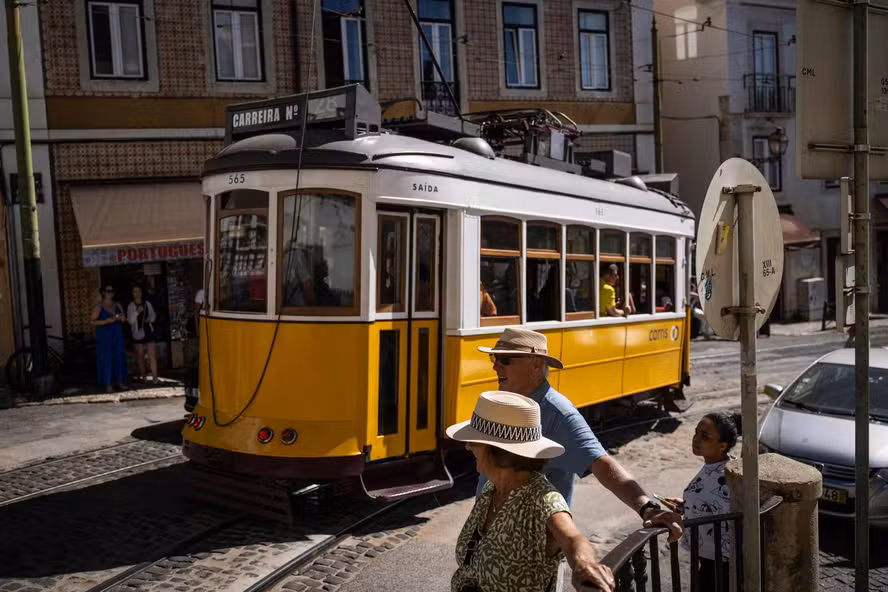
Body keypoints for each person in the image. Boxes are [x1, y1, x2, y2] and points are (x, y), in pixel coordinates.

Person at [476, 328, 683, 532]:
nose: (495, 367)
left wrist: (647, 508)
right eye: (494, 358)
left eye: (505, 360)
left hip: (530, 550)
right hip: (491, 539)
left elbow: (601, 463)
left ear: (536, 366)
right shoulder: (505, 401)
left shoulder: (558, 413)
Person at [447, 391, 616, 592]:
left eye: (474, 441)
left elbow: (573, 539)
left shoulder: (542, 500)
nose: (467, 447)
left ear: (498, 450)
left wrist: (584, 564)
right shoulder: (491, 488)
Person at [665, 412, 741, 591]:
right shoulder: (714, 465)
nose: (696, 439)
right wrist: (685, 506)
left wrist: (686, 519)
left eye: (704, 436)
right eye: (696, 432)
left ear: (722, 446)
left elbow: (725, 513)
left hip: (721, 565)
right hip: (710, 559)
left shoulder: (728, 476)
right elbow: (711, 502)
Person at [91, 285, 128, 393]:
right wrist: (106, 321)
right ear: (103, 293)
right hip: (105, 336)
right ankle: (108, 384)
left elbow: (124, 318)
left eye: (112, 291)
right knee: (107, 359)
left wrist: (121, 318)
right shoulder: (99, 307)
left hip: (117, 335)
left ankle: (120, 382)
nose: (111, 293)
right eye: (108, 291)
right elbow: (92, 321)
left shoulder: (117, 305)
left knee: (119, 357)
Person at [127, 285, 158, 383]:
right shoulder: (131, 306)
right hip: (137, 333)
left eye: (139, 291)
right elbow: (130, 321)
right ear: (132, 293)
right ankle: (143, 376)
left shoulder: (147, 303)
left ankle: (155, 378)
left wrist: (150, 319)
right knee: (140, 356)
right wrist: (136, 312)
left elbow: (153, 314)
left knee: (152, 355)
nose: (137, 293)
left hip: (148, 330)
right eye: (135, 291)